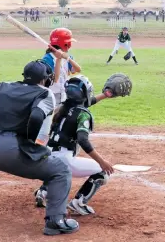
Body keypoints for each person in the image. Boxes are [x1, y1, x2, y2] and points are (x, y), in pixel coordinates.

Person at [0, 58, 81, 236]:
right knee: (61, 170)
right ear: (45, 78)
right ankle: (55, 221)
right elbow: (36, 117)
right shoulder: (44, 93)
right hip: (15, 149)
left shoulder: (2, 86)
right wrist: (29, 142)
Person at [34, 75, 115, 215]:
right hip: (63, 161)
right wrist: (102, 162)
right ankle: (79, 203)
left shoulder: (61, 109)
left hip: (44, 159)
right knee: (102, 172)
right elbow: (83, 140)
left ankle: (43, 191)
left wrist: (105, 95)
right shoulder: (83, 114)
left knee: (57, 158)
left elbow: (82, 104)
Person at [42, 28, 82, 106]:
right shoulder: (47, 58)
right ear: (64, 44)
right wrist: (58, 59)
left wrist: (68, 58)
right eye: (69, 42)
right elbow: (55, 79)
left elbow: (78, 69)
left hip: (64, 93)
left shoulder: (67, 56)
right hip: (52, 93)